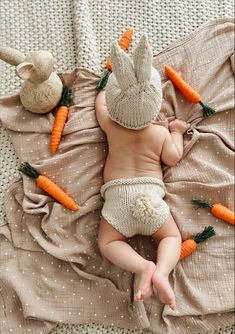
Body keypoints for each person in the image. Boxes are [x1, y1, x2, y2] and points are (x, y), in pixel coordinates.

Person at [95, 35, 190, 310]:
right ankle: (162, 271)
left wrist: (105, 89)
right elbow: (173, 157)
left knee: (108, 242)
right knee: (171, 238)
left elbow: (100, 103)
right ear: (156, 105)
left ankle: (142, 267)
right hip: (151, 200)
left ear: (115, 107)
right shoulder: (160, 133)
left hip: (118, 199)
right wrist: (176, 132)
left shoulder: (111, 125)